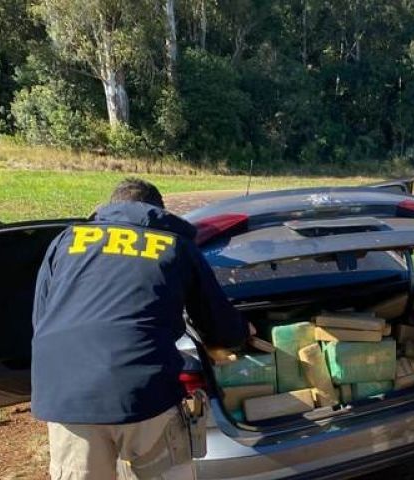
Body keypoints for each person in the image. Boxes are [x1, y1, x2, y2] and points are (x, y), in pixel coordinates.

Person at [32, 178, 251, 480]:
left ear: (109, 208)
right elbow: (218, 326)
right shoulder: (175, 246)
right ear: (158, 212)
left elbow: (42, 319)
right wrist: (244, 332)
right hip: (144, 391)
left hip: (66, 393)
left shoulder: (66, 240)